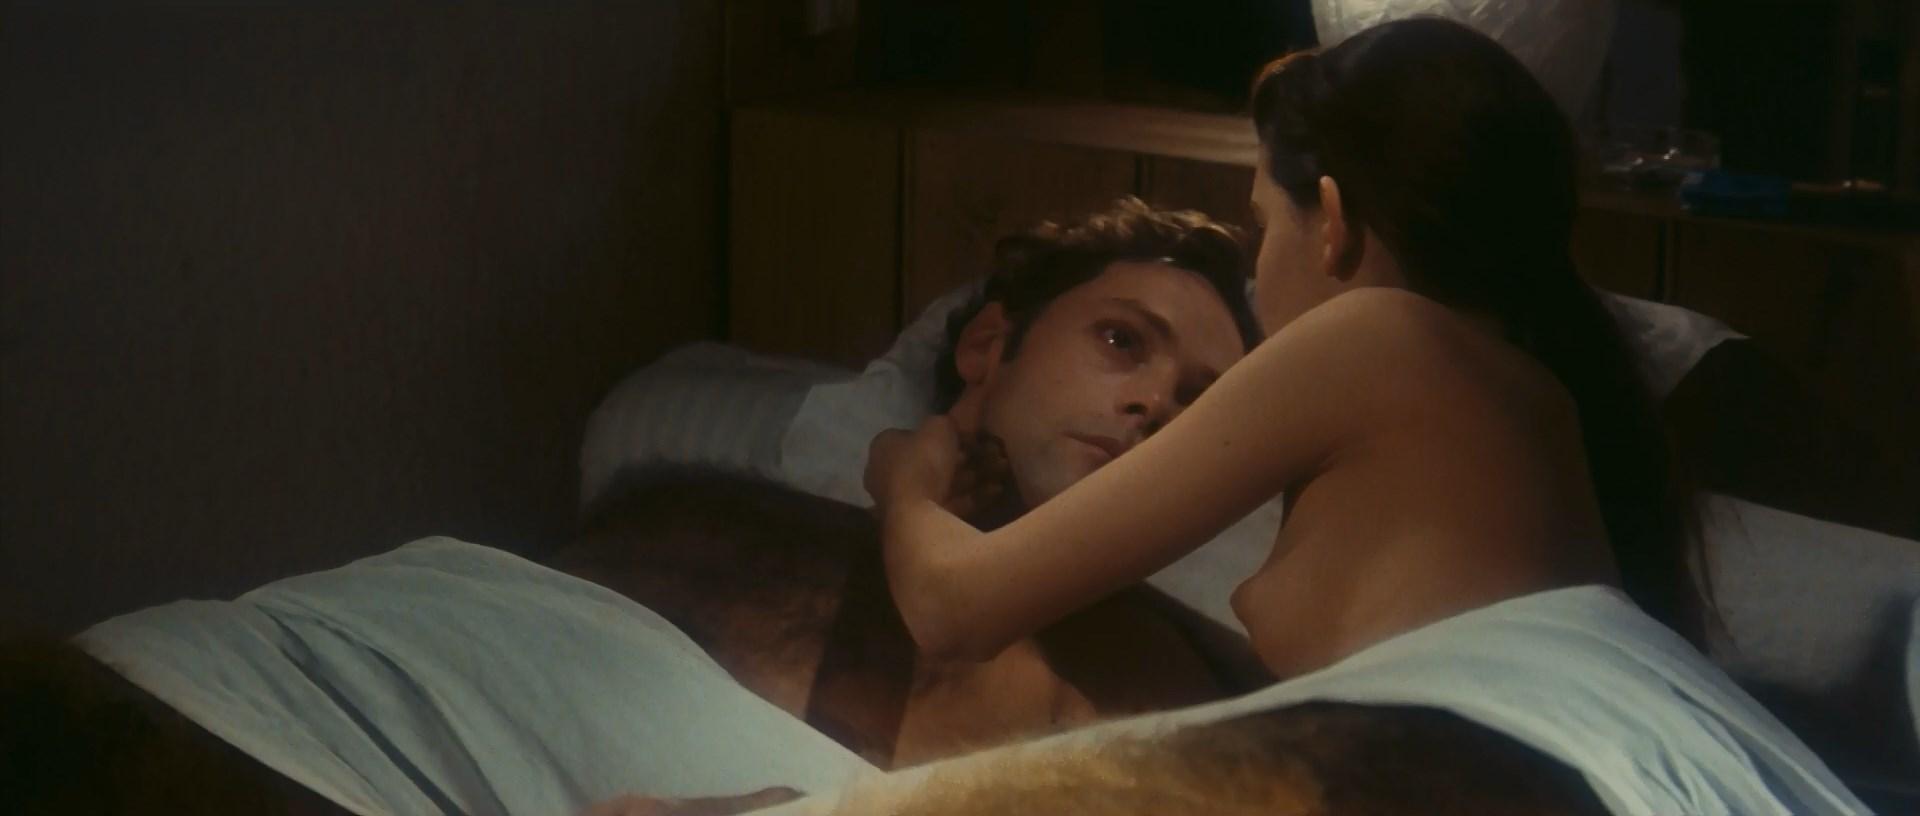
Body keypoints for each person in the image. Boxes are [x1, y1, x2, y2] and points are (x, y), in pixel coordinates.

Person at [2, 200, 1270, 815]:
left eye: (1204, 404)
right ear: (988, 345)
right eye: (1124, 341)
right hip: (247, 663)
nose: (1156, 405)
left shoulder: (1144, 661)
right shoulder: (724, 491)